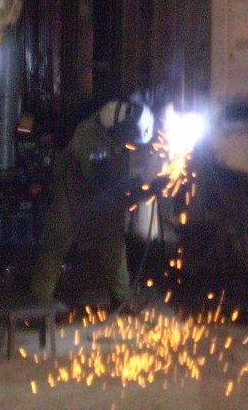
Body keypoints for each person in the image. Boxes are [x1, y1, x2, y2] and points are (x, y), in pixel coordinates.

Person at [29, 95, 154, 308]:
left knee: (113, 239)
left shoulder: (112, 128)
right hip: (70, 187)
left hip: (95, 187)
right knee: (58, 238)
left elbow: (109, 176)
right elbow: (97, 176)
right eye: (129, 139)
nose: (129, 145)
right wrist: (128, 189)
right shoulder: (88, 137)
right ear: (122, 129)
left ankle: (122, 298)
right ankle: (40, 303)